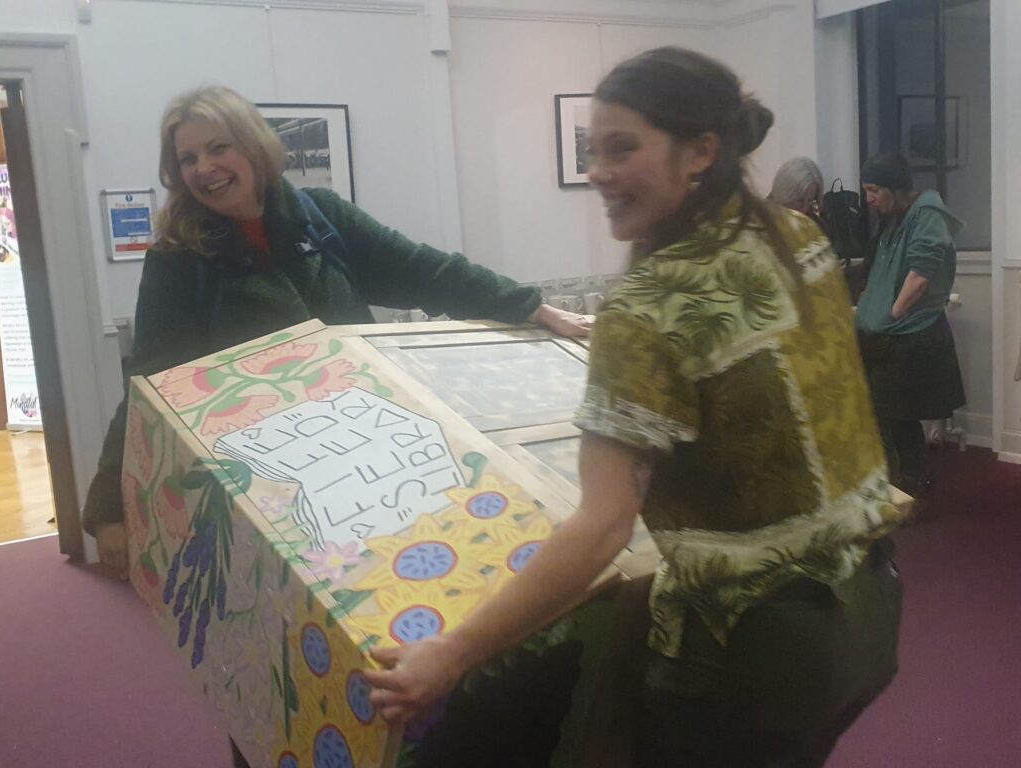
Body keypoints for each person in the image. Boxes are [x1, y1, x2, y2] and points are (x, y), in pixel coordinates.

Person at [365, 47, 906, 768]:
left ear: (700, 152)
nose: (599, 172)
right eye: (595, 150)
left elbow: (602, 528)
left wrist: (452, 652)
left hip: (748, 655)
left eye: (622, 149)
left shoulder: (646, 308)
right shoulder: (798, 237)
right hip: (865, 614)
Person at [82, 85, 589, 576]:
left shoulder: (321, 216)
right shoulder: (178, 257)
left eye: (219, 148)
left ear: (255, 146)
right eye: (188, 158)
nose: (204, 169)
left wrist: (533, 308)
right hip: (271, 486)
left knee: (412, 579)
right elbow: (148, 382)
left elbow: (427, 270)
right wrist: (109, 508)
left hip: (370, 454)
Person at [855, 152, 966, 501]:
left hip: (908, 337)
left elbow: (921, 275)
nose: (869, 199)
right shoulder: (895, 218)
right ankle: (901, 482)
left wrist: (892, 313)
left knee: (893, 414)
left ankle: (912, 483)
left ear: (895, 187)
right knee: (889, 415)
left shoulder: (928, 214)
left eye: (874, 190)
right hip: (885, 337)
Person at [768, 156, 824, 224]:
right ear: (784, 195)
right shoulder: (762, 225)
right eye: (799, 201)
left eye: (810, 201)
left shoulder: (816, 226)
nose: (805, 209)